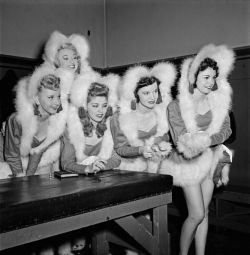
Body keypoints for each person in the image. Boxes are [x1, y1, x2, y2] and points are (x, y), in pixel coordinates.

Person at [159, 44, 235, 255]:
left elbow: (226, 130)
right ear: (193, 78)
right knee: (196, 213)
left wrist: (206, 139)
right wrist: (201, 140)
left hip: (210, 160)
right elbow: (180, 138)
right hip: (187, 163)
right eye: (206, 78)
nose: (211, 83)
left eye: (213, 77)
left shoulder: (218, 102)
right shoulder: (176, 106)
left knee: (205, 213)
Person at [4, 65, 74, 177]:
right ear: (36, 98)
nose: (57, 102)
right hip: (6, 156)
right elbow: (12, 154)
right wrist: (21, 178)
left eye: (58, 96)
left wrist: (29, 176)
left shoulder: (58, 119)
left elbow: (38, 152)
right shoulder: (18, 119)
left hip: (32, 159)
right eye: (51, 97)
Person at [111, 63, 176, 173]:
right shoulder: (121, 116)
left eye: (155, 91)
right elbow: (119, 149)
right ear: (135, 94)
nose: (152, 97)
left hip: (158, 167)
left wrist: (162, 146)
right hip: (129, 171)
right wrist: (140, 150)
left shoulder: (162, 112)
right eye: (146, 93)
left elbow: (165, 138)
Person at [61, 73, 121, 174]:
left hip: (105, 178)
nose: (101, 111)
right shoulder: (73, 127)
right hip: (78, 182)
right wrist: (87, 168)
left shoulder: (111, 124)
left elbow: (116, 159)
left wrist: (100, 166)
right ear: (85, 106)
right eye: (95, 105)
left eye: (104, 105)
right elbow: (66, 163)